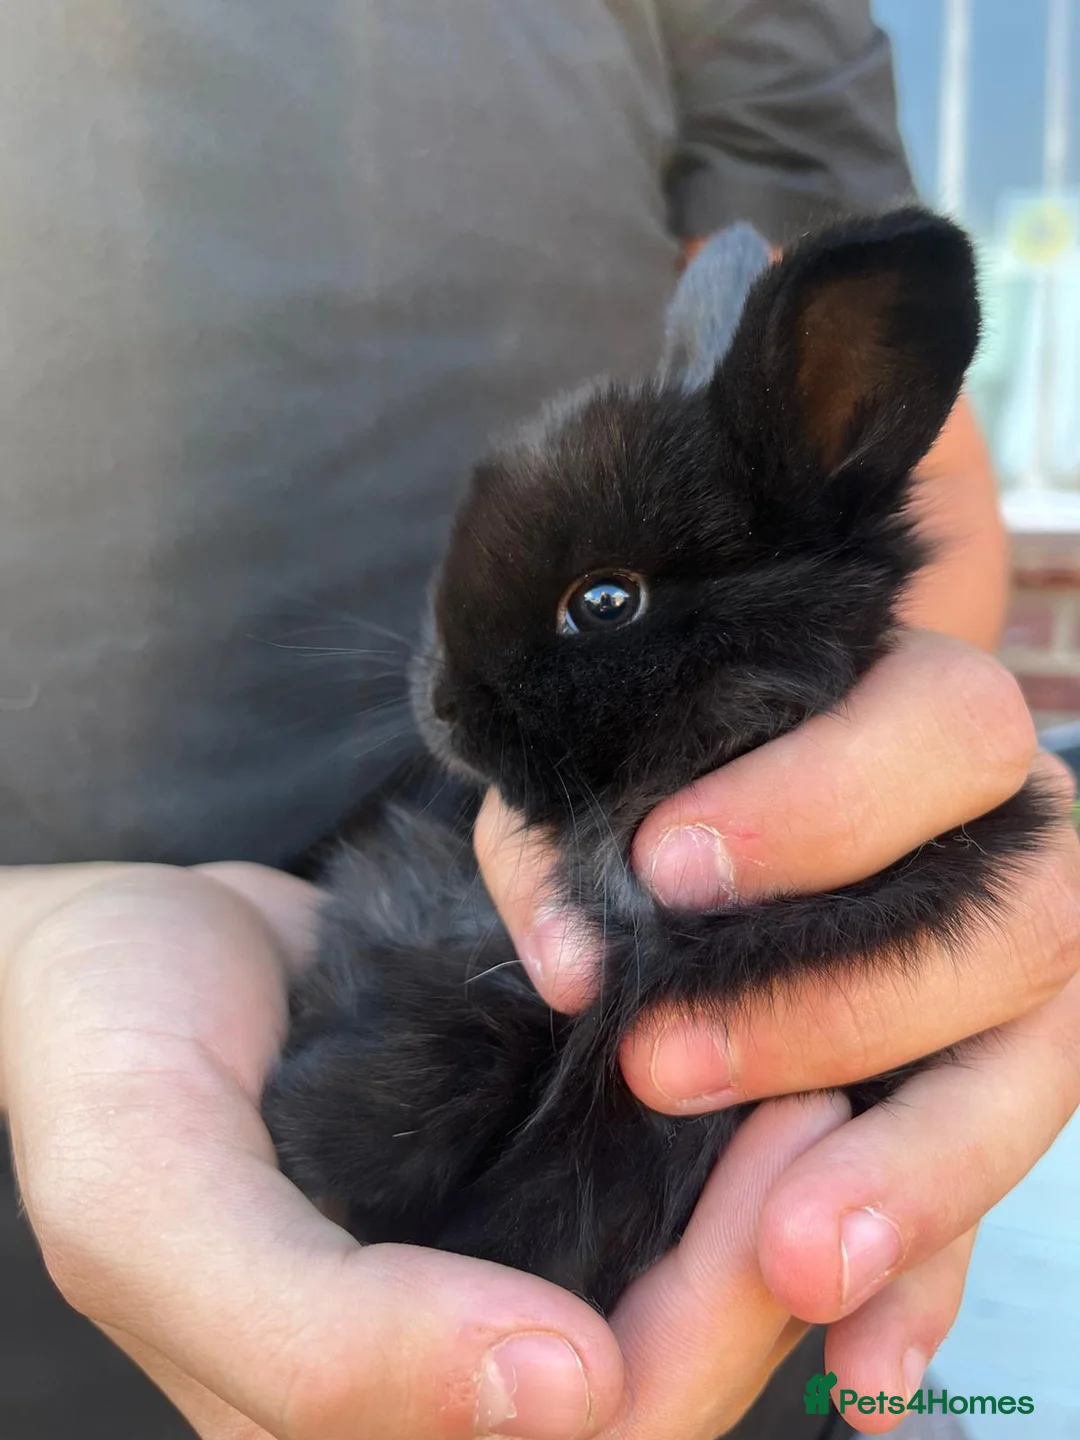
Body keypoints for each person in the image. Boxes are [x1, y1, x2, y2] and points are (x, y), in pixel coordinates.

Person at [1, 3, 1078, 1438]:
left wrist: (936, 820)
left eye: (605, 605)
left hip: (758, 1341)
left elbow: (919, 523)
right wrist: (31, 944)